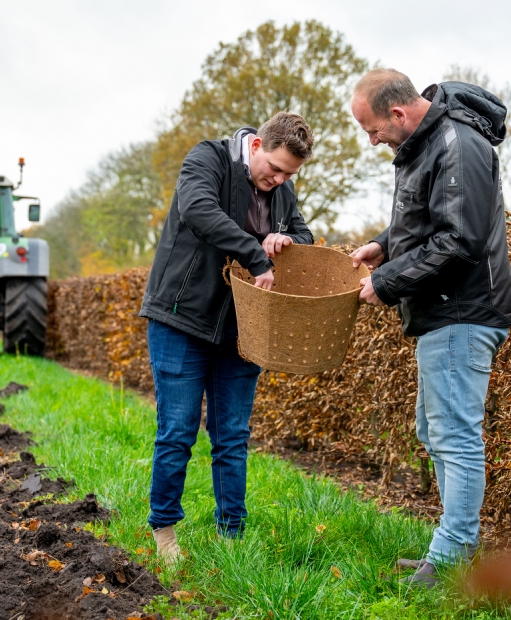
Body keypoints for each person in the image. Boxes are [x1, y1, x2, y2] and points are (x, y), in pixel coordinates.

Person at [349, 69, 511, 586]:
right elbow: (425, 220)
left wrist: (386, 281)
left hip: (461, 311)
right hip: (444, 313)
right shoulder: (427, 143)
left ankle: (449, 560)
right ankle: (454, 550)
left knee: (455, 436)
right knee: (435, 431)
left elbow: (459, 241)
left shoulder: (456, 144)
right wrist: (383, 245)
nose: (372, 141)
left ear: (398, 113)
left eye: (373, 130)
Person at [139, 112, 314, 563]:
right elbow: (198, 210)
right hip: (181, 318)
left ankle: (231, 537)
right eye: (275, 169)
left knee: (232, 436)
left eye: (289, 174)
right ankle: (164, 533)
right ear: (255, 146)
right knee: (178, 431)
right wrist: (256, 253)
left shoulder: (282, 189)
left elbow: (303, 233)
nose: (279, 180)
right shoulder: (208, 159)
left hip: (242, 328)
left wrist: (285, 241)